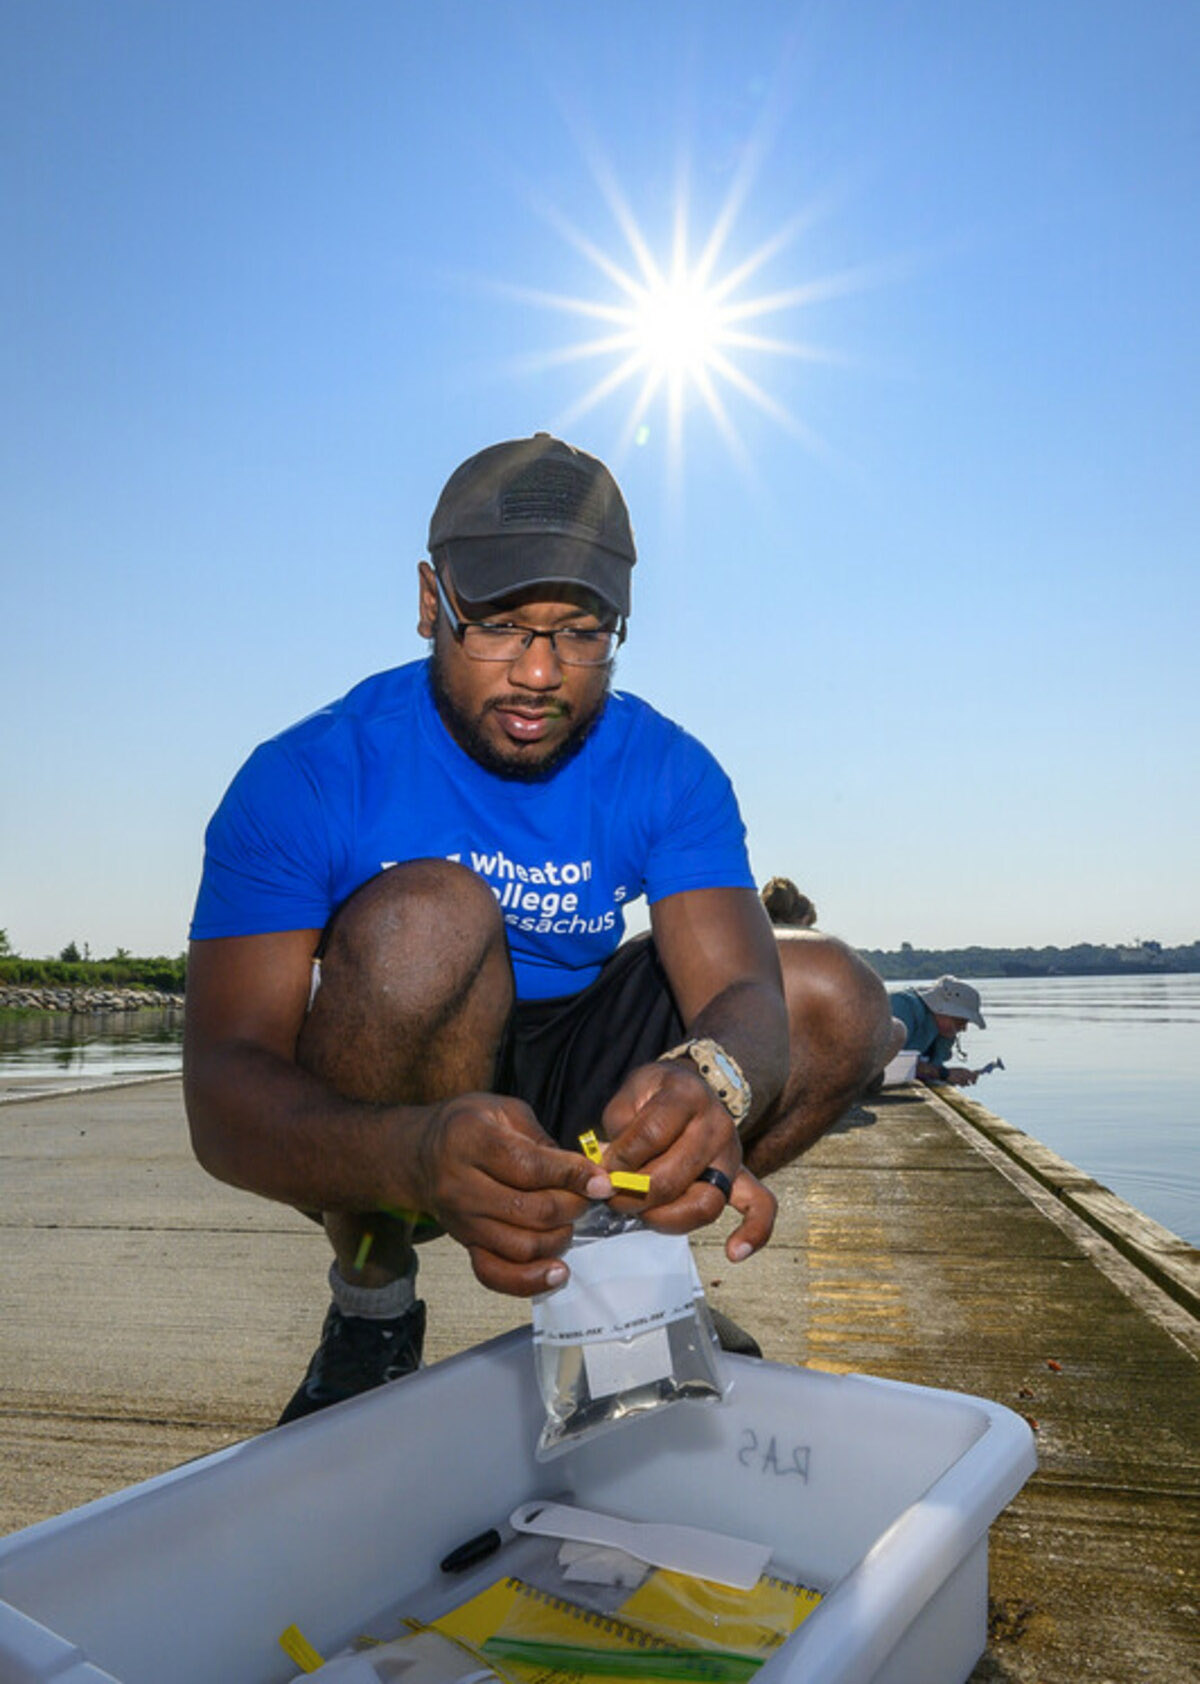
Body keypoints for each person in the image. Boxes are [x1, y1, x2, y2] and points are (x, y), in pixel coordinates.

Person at [184, 432, 900, 1424]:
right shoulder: (306, 774)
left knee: (838, 999)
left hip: (574, 1051)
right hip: (396, 1084)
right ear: (434, 603)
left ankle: (624, 1272)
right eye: (503, 626)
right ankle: (373, 1300)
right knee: (426, 918)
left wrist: (712, 1078)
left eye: (580, 631)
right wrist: (413, 1152)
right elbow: (223, 1093)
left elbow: (744, 996)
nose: (538, 672)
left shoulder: (671, 767)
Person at [888, 976, 986, 1086]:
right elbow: (888, 1061)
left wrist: (951, 1075)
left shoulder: (943, 1033)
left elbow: (931, 1065)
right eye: (960, 1022)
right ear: (941, 1010)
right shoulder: (902, 1007)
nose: (963, 1028)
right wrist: (944, 1074)